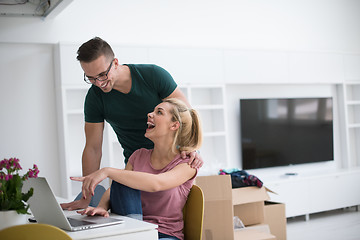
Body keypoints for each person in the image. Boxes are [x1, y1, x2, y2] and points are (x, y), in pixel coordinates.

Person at [61, 37, 203, 210]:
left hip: (170, 163)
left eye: (102, 75)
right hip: (136, 165)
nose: (99, 83)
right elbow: (92, 148)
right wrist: (87, 195)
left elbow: (185, 116)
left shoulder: (153, 76)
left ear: (115, 63)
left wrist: (192, 148)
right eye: (91, 78)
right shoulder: (95, 98)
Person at [71, 98, 202, 240]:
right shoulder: (138, 155)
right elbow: (119, 186)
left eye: (159, 112)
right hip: (133, 229)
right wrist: (102, 207)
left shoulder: (187, 163)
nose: (150, 114)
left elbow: (156, 183)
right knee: (122, 179)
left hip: (164, 234)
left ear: (174, 125)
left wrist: (106, 171)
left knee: (121, 176)